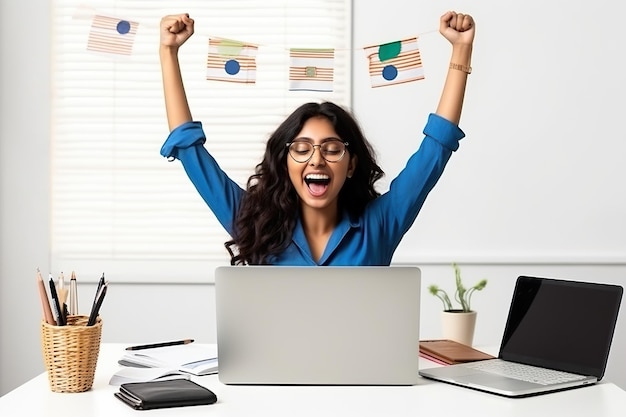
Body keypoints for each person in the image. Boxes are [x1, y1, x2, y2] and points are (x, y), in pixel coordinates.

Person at [159, 11, 475, 266]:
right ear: (284, 163)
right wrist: (168, 52)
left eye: (332, 149)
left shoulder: (379, 226)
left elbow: (435, 149)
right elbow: (190, 152)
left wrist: (461, 50)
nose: (316, 159)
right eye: (301, 148)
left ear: (351, 165)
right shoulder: (253, 223)